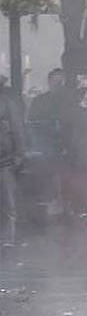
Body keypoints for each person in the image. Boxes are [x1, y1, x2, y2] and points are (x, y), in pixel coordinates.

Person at [0, 75, 26, 246]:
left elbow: (17, 129)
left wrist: (19, 154)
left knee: (8, 202)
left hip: (5, 160)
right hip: (6, 157)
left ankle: (7, 238)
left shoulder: (7, 103)